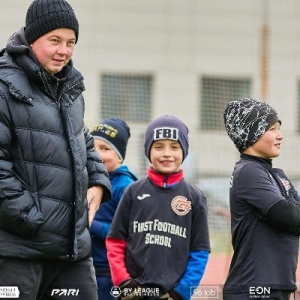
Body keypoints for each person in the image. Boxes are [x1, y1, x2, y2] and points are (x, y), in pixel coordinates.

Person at [0, 0, 112, 299]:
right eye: (55, 41)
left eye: (71, 42)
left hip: (71, 251)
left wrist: (99, 182)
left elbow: (83, 140)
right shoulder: (2, 86)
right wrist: (31, 220)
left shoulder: (70, 88)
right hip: (19, 251)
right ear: (32, 37)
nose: (64, 50)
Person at [106, 115, 211, 300]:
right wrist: (124, 282)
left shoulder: (195, 197)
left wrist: (180, 293)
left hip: (172, 294)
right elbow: (115, 241)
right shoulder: (132, 192)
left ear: (184, 151)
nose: (166, 153)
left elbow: (199, 251)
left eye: (174, 147)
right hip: (133, 292)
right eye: (158, 146)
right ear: (148, 151)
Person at [223, 98, 300, 300]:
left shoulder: (277, 174)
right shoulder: (248, 171)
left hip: (274, 287)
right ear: (251, 133)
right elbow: (290, 216)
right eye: (272, 129)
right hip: (253, 289)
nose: (280, 136)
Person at [89, 118, 138, 300]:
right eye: (92, 147)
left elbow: (132, 234)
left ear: (119, 155)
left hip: (109, 272)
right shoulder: (88, 180)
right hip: (87, 266)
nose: (97, 154)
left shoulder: (125, 187)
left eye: (105, 148)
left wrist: (92, 225)